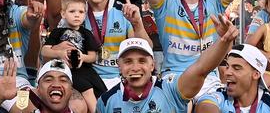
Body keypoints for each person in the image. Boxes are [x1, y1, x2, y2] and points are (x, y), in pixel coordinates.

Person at [97, 14, 239, 112]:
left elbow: (201, 69)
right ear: (119, 66)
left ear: (152, 65)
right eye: (128, 62)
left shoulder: (169, 89)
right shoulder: (106, 101)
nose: (135, 68)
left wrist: (223, 41)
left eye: (142, 61)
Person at [74, 0, 152, 90]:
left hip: (121, 78)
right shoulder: (76, 13)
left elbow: (147, 49)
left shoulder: (124, 11)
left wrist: (137, 23)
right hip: (88, 80)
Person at [42, 0, 104, 112]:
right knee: (88, 90)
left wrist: (83, 57)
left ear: (85, 15)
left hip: (85, 69)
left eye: (81, 12)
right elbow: (44, 51)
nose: (77, 15)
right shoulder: (57, 32)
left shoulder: (86, 33)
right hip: (65, 69)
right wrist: (60, 53)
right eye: (72, 11)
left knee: (101, 91)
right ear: (63, 13)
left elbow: (93, 56)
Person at [196, 44, 270, 113]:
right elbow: (204, 105)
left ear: (256, 74)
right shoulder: (219, 96)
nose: (227, 72)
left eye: (236, 68)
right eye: (227, 66)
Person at [0, 58, 87, 113]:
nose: (56, 84)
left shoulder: (79, 106)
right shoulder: (23, 106)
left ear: (71, 89)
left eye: (63, 80)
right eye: (48, 80)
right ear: (38, 88)